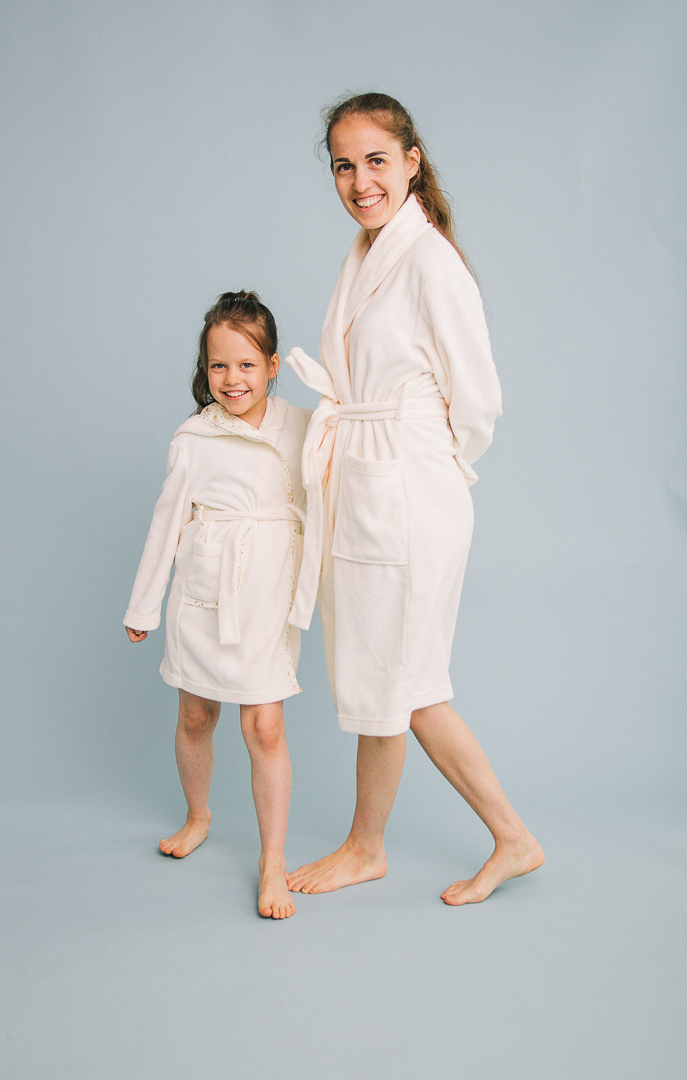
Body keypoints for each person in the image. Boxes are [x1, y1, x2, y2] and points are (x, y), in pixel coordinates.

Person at [285, 93, 543, 904]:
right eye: (343, 165)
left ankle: (372, 847)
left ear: (411, 161)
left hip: (407, 493)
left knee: (395, 682)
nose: (360, 181)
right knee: (405, 682)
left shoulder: (429, 261)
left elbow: (480, 400)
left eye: (376, 160)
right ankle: (507, 839)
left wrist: (426, 466)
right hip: (372, 485)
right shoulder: (365, 253)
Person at [124, 291, 310, 919]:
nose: (232, 379)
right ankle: (198, 815)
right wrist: (144, 606)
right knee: (197, 714)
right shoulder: (194, 437)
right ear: (205, 370)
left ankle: (272, 860)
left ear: (274, 365)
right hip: (203, 594)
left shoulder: (304, 426)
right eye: (218, 365)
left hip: (267, 594)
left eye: (247, 364)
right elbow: (166, 523)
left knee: (264, 726)